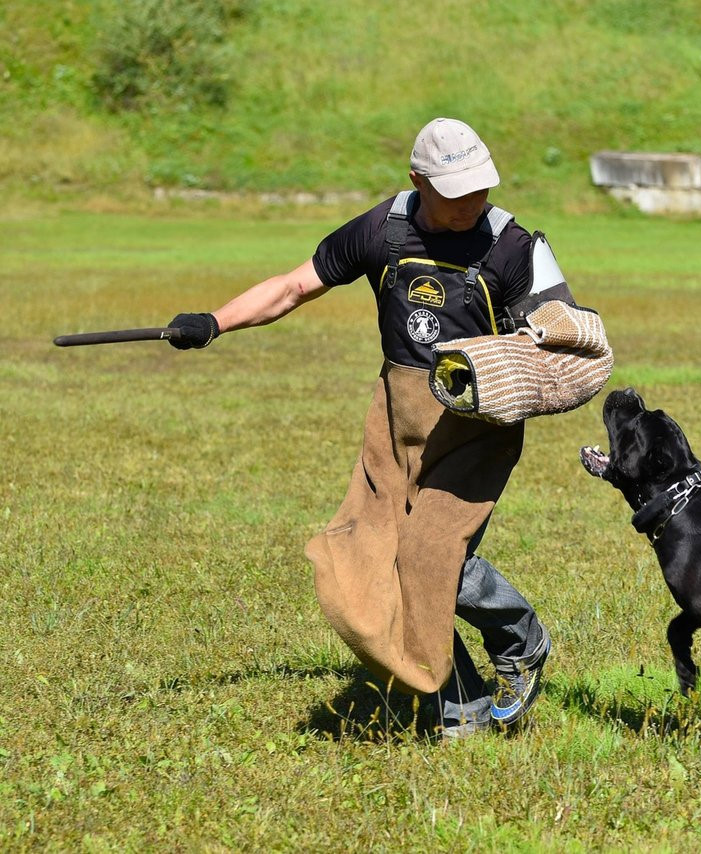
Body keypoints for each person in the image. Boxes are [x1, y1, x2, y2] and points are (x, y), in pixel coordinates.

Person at [167, 118, 562, 738]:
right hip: (395, 422)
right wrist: (214, 321)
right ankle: (460, 699)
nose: (469, 205)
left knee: (429, 556)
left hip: (475, 428)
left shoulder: (515, 248)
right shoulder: (382, 231)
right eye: (454, 192)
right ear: (417, 181)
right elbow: (296, 286)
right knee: (361, 565)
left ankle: (517, 643)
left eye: (478, 190)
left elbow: (557, 339)